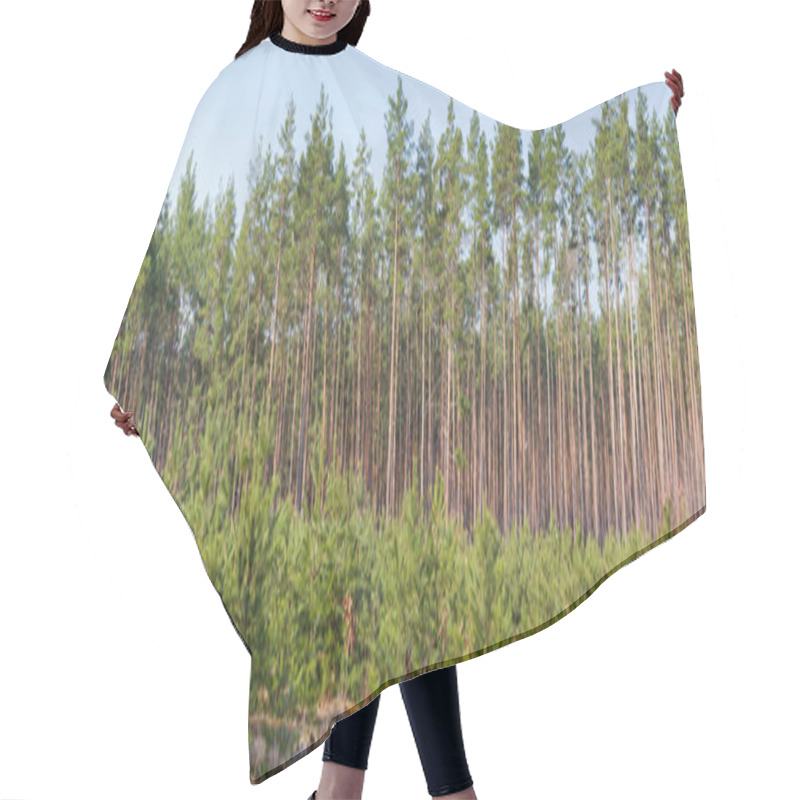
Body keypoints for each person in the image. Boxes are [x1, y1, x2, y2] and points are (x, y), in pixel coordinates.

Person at [109, 4, 685, 799]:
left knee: (405, 581)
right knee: (365, 587)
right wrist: (152, 371)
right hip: (288, 400)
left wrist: (635, 129)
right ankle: (427, 792)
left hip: (377, 390)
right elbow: (191, 250)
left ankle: (352, 790)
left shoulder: (376, 87)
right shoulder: (232, 92)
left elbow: (504, 169)